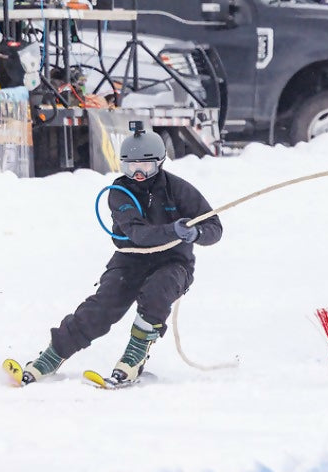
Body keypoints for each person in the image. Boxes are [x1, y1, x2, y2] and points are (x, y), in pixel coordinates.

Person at [16, 123, 223, 385]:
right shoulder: (118, 192)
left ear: (159, 163)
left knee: (158, 291)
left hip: (174, 262)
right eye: (129, 166)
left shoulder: (180, 189)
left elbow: (214, 227)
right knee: (103, 307)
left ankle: (134, 356)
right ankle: (52, 355)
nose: (137, 173)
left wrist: (196, 234)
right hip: (131, 259)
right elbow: (139, 234)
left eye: (144, 167)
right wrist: (174, 229)